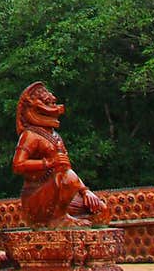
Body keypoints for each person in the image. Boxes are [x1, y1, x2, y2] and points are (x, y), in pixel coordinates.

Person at [12, 81, 110, 228]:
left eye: (52, 103)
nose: (53, 107)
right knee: (66, 177)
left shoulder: (55, 136)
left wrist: (84, 191)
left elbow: (67, 170)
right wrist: (48, 163)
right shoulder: (30, 136)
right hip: (38, 196)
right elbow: (17, 165)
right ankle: (58, 219)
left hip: (60, 194)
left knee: (101, 211)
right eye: (47, 103)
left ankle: (65, 216)